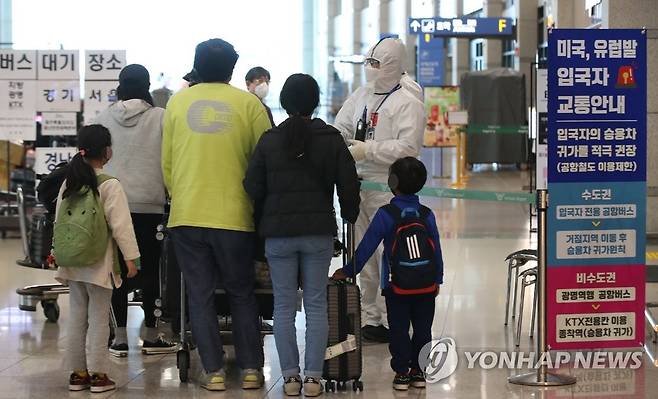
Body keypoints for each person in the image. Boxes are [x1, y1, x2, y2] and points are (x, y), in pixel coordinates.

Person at [162, 38, 271, 391]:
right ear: (233, 70)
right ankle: (252, 369)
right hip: (235, 215)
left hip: (187, 214)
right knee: (241, 292)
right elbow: (263, 161)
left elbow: (167, 163)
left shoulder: (177, 104)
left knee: (200, 294)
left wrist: (181, 195)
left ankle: (213, 371)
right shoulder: (249, 105)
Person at [244, 74, 360, 397]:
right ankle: (313, 378)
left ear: (283, 102)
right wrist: (349, 214)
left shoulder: (269, 140)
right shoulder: (331, 138)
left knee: (282, 306)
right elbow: (349, 185)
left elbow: (252, 186)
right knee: (315, 305)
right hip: (317, 234)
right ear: (315, 101)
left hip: (278, 236)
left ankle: (290, 378)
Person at [333, 37, 425, 343]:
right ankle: (371, 316)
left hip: (390, 188)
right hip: (358, 186)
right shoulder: (360, 96)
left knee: (391, 254)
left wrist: (369, 150)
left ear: (392, 66)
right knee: (364, 254)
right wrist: (344, 144)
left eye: (376, 64)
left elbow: (409, 147)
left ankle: (392, 317)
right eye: (368, 63)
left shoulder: (407, 103)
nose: (370, 70)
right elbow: (341, 127)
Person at [332, 157, 443, 391]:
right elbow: (437, 250)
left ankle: (402, 373)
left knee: (399, 329)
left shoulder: (386, 214)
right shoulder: (426, 214)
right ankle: (419, 372)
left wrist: (349, 270)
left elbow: (367, 246)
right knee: (423, 329)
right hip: (426, 286)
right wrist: (438, 279)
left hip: (396, 287)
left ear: (392, 182)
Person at [94, 64, 177, 357]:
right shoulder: (161, 118)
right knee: (151, 270)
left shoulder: (103, 117)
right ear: (146, 85)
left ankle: (118, 338)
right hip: (150, 206)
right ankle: (151, 336)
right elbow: (171, 158)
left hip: (111, 205)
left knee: (115, 271)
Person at [54, 125, 140, 393]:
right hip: (99, 262)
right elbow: (122, 227)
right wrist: (131, 259)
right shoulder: (109, 184)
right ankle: (99, 375)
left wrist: (58, 254)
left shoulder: (69, 182)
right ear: (106, 152)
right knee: (100, 319)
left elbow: (58, 221)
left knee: (77, 317)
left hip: (72, 261)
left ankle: (78, 374)